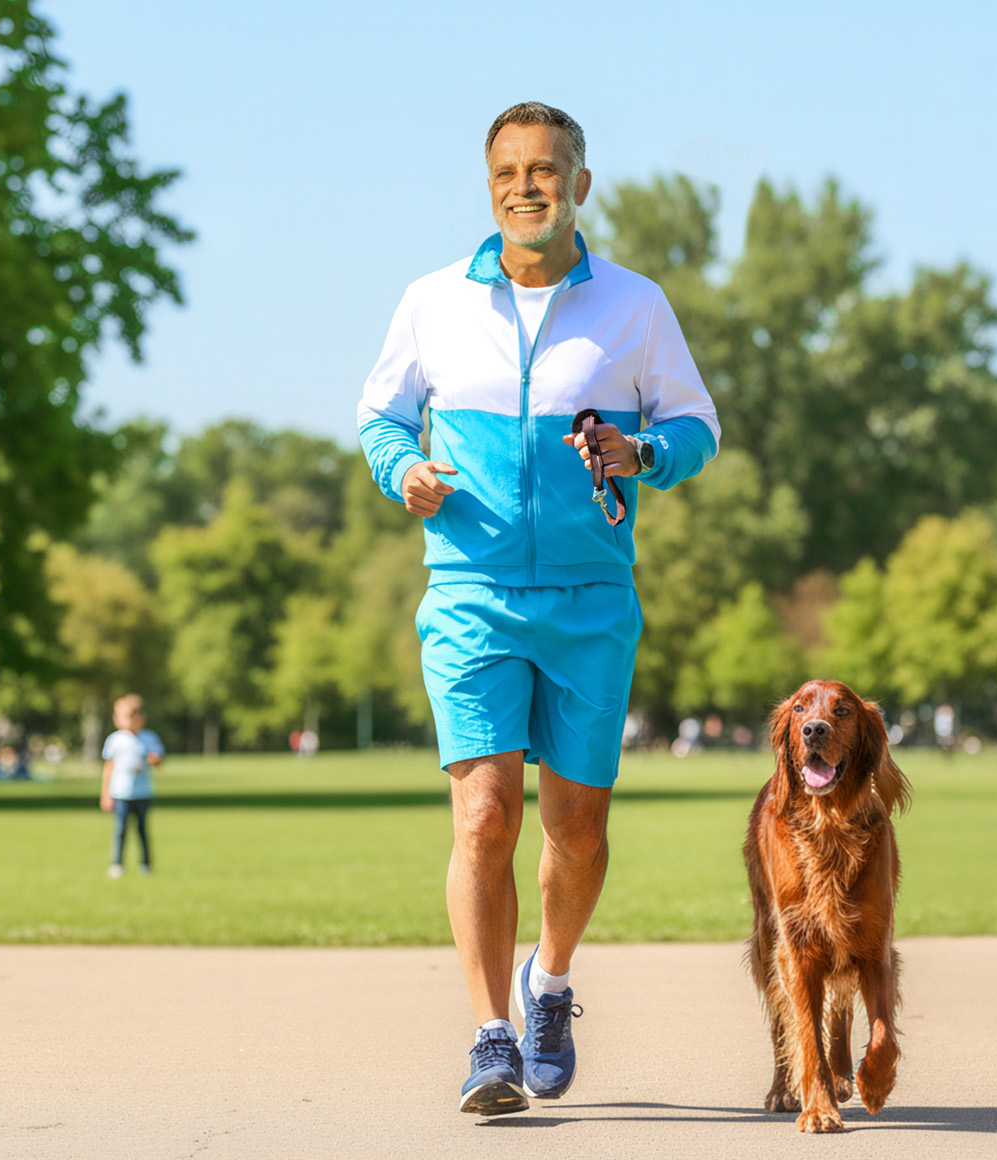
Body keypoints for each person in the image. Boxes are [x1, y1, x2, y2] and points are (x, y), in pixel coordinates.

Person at [354, 102, 719, 1116]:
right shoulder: (432, 301)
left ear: (579, 186)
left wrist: (642, 451)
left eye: (546, 170)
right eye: (509, 171)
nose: (527, 186)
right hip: (469, 591)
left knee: (576, 824)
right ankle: (489, 1038)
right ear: (488, 187)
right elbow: (380, 415)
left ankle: (548, 981)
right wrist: (402, 472)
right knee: (483, 816)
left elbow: (697, 423)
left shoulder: (634, 305)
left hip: (592, 599)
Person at [96, 694, 162, 878]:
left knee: (142, 830)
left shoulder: (148, 738)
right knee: (120, 830)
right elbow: (108, 768)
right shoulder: (115, 740)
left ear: (140, 717)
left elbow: (159, 761)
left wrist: (152, 758)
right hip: (121, 792)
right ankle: (117, 863)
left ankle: (145, 864)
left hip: (142, 793)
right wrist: (105, 794)